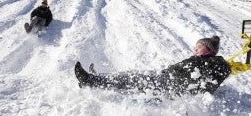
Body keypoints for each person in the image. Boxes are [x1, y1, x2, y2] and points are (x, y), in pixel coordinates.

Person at [75, 36, 231, 97]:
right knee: (132, 75)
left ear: (209, 49)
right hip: (168, 79)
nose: (196, 49)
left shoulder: (216, 63)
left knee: (132, 79)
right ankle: (99, 78)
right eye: (196, 47)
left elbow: (214, 79)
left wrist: (203, 92)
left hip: (173, 86)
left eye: (199, 47)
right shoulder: (202, 60)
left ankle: (90, 81)